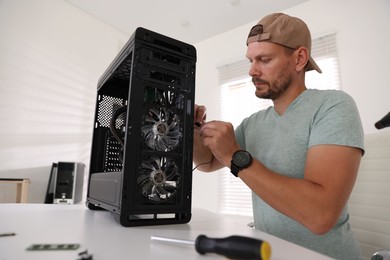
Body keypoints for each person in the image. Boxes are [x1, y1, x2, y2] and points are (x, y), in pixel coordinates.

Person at [193, 13, 364, 259]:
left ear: (299, 58)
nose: (252, 70)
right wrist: (190, 127)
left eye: (264, 59)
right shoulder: (254, 123)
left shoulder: (333, 106)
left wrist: (235, 155)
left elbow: (320, 215)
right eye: (251, 60)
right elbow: (208, 162)